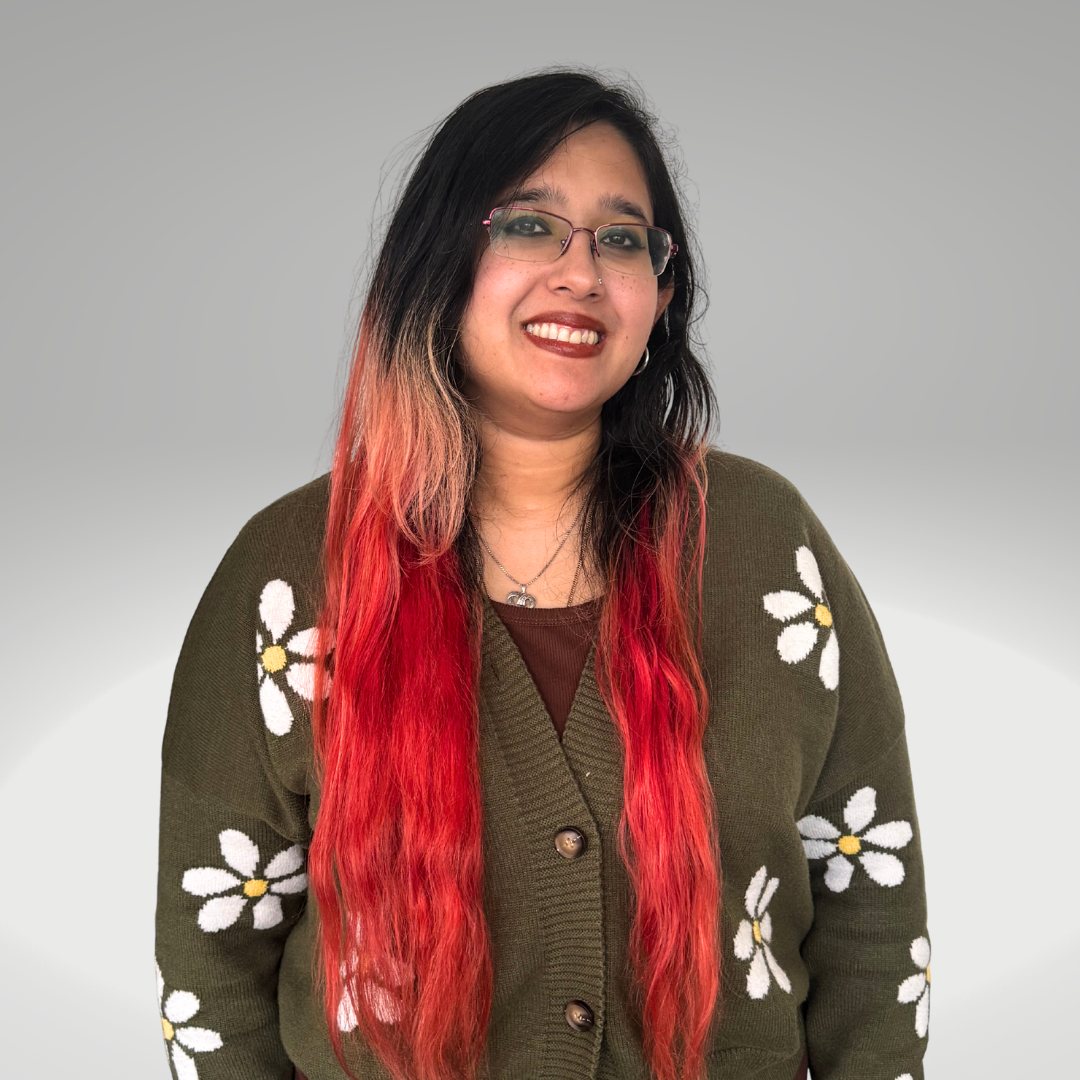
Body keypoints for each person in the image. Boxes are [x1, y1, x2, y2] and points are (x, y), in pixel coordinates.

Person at [155, 71, 929, 1080]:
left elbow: (871, 916)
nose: (581, 273)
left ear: (661, 290)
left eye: (621, 238)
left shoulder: (765, 548)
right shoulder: (290, 581)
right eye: (529, 226)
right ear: (441, 259)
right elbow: (212, 972)